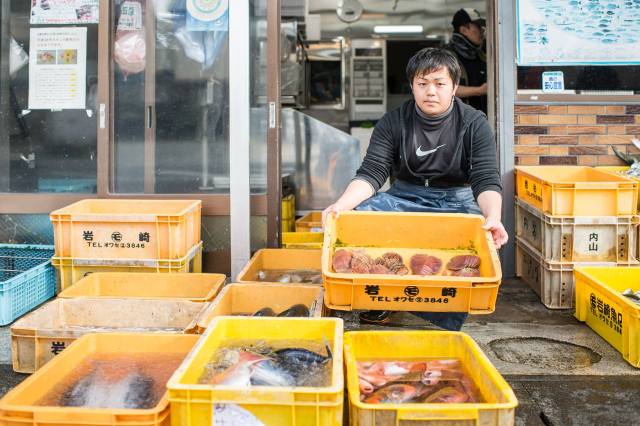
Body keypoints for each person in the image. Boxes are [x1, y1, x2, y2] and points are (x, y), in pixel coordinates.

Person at [322, 47, 507, 331]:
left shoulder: (474, 123)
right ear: (412, 86)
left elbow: (485, 177)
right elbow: (372, 173)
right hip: (405, 194)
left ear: (455, 87)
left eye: (439, 83)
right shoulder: (393, 121)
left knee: (477, 236)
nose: (430, 91)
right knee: (362, 217)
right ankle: (380, 299)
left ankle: (442, 312)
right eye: (422, 84)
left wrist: (493, 216)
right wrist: (341, 206)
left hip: (458, 197)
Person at [446, 8, 487, 114]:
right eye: (478, 26)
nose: (482, 30)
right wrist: (479, 91)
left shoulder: (482, 55)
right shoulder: (446, 56)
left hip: (480, 120)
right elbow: (444, 88)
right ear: (464, 30)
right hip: (457, 121)